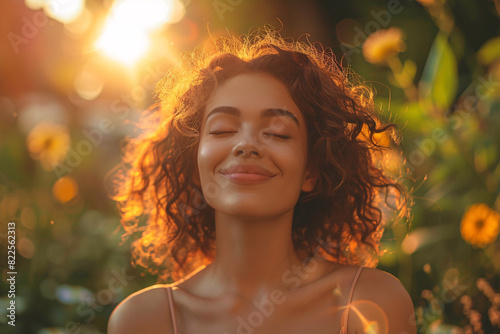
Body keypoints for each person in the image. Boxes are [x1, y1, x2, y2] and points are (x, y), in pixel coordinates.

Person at [107, 27, 417, 333]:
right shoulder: (144, 320)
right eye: (222, 130)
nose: (246, 144)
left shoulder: (371, 301)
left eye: (277, 132)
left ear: (311, 171)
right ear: (194, 165)